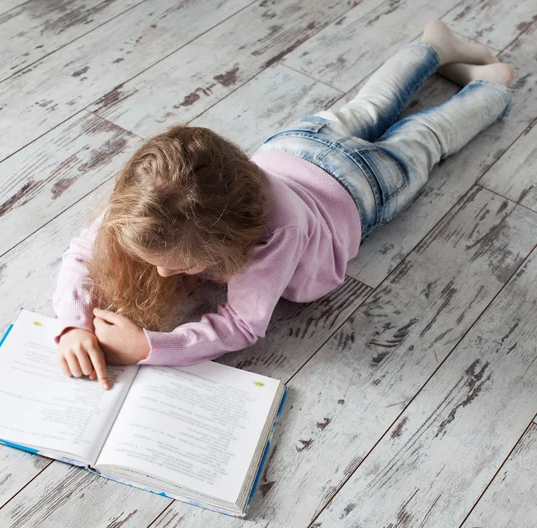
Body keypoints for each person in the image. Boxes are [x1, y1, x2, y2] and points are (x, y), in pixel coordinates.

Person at [53, 20, 513, 389]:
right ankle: (432, 45)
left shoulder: (273, 234)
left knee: (423, 138)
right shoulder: (150, 204)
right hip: (297, 145)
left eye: (183, 264)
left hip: (362, 189)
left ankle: (494, 87)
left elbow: (242, 325)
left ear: (231, 243)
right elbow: (82, 253)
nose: (163, 274)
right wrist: (73, 326)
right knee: (370, 106)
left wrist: (151, 347)